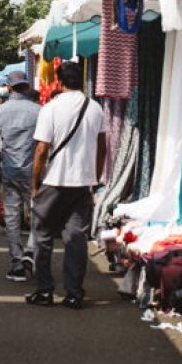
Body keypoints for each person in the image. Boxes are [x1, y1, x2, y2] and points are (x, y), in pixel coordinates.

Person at [26, 61, 106, 310]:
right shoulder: (95, 108)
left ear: (59, 81)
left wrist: (35, 183)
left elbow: (41, 150)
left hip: (54, 181)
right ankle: (73, 293)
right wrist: (95, 175)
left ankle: (45, 289)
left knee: (42, 235)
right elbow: (102, 146)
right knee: (76, 238)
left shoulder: (50, 108)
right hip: (82, 184)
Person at [0, 71, 40, 282]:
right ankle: (32, 250)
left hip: (9, 169)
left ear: (9, 87)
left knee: (11, 216)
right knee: (38, 213)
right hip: (34, 171)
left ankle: (17, 263)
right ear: (26, 87)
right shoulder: (39, 111)